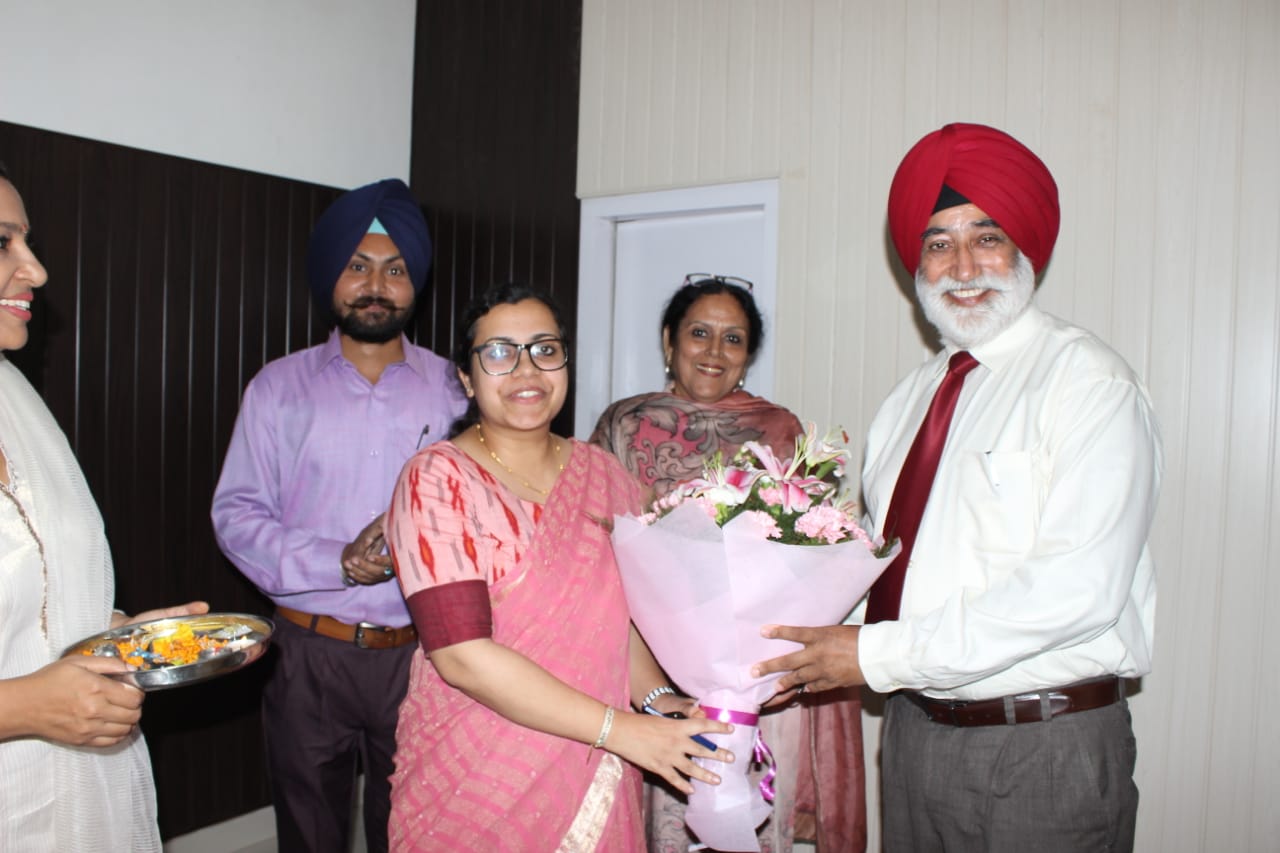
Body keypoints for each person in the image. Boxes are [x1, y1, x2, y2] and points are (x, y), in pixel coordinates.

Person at [753, 123, 1162, 853]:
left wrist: (873, 656)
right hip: (913, 738)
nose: (963, 266)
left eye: (987, 237)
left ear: (1026, 248)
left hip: (1043, 744)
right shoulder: (905, 403)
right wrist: (760, 618)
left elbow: (1078, 589)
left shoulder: (1089, 384)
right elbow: (881, 568)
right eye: (939, 243)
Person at [384, 282, 735, 851]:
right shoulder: (436, 479)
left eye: (545, 350)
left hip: (592, 766)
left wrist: (656, 701)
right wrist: (621, 729)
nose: (526, 370)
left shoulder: (606, 476)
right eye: (500, 352)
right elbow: (461, 656)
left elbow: (614, 621)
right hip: (476, 771)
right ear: (468, 378)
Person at [211, 178, 467, 853]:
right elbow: (237, 514)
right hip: (308, 654)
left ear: (415, 284)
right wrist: (338, 561)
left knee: (413, 833)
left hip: (427, 655)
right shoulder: (278, 388)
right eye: (358, 266)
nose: (376, 286)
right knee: (309, 833)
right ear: (331, 276)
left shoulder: (455, 391)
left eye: (396, 270)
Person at [591, 274, 866, 853]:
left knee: (748, 824)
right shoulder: (623, 425)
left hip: (756, 679)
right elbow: (595, 545)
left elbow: (806, 558)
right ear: (669, 340)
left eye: (733, 339)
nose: (714, 351)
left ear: (748, 355)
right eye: (699, 333)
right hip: (650, 667)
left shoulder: (780, 430)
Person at [0, 163, 207, 849]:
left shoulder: (16, 397)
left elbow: (36, 598)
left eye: (27, 241)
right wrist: (23, 706)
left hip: (81, 795)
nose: (35, 270)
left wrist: (116, 634)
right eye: (2, 242)